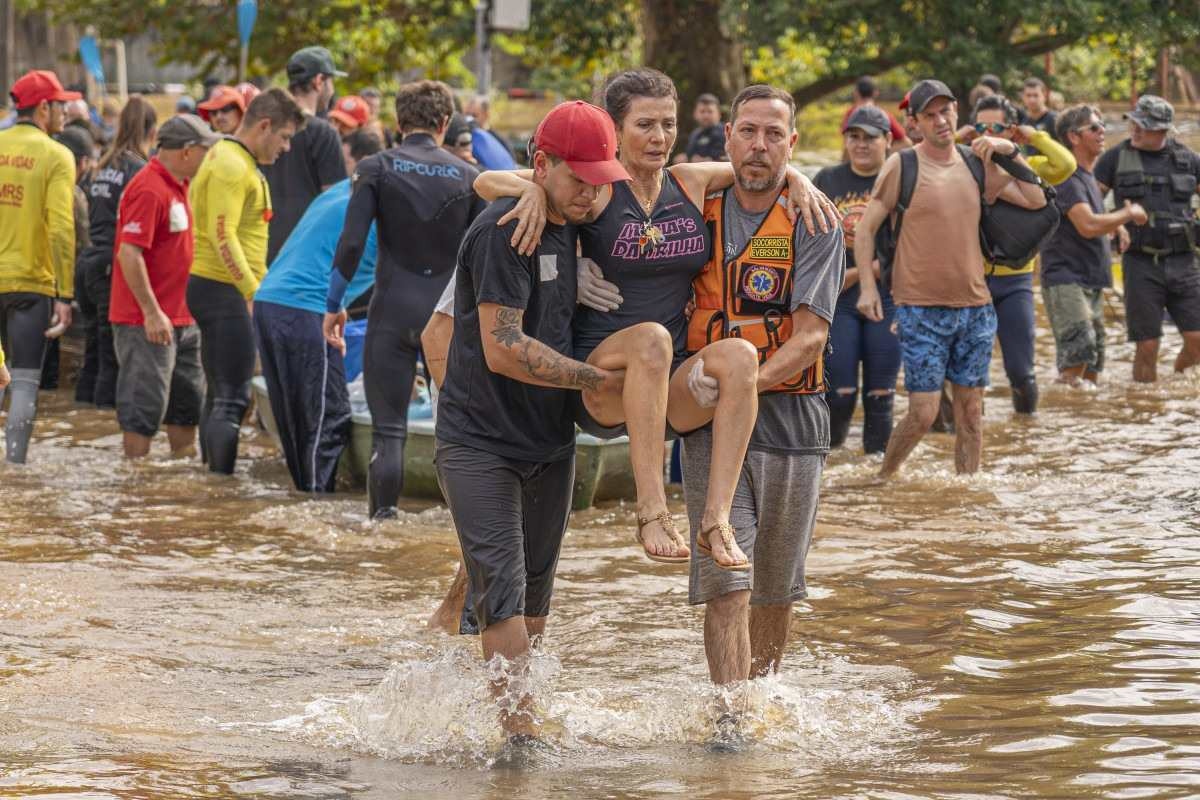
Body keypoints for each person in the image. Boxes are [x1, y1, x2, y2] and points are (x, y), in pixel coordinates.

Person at [475, 67, 838, 567]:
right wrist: (532, 191)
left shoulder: (689, 181)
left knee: (738, 355)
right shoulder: (599, 190)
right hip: (604, 380)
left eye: (668, 124)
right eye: (645, 125)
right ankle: (651, 510)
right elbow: (483, 179)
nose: (660, 137)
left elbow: (759, 162)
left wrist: (798, 179)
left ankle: (715, 520)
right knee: (649, 339)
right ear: (616, 131)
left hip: (669, 386)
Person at [435, 99, 629, 740]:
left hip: (549, 442)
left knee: (536, 604)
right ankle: (520, 739)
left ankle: (478, 702)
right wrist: (598, 382)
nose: (593, 193)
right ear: (541, 164)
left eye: (603, 178)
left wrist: (795, 178)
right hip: (478, 441)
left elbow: (689, 175)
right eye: (580, 179)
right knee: (503, 594)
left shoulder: (582, 216)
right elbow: (503, 348)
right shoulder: (503, 229)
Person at [682, 87, 844, 735]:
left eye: (774, 135)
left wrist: (740, 394)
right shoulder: (694, 203)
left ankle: (759, 704)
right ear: (726, 137)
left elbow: (809, 337)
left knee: (776, 588)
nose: (759, 146)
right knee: (728, 581)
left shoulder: (814, 219)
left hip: (792, 420)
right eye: (747, 132)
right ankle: (730, 720)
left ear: (792, 143)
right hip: (709, 423)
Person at [854, 79, 1047, 478]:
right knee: (923, 414)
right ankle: (883, 478)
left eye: (946, 111)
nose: (941, 120)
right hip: (919, 310)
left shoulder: (978, 165)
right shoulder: (901, 166)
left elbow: (1036, 199)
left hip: (975, 309)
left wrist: (1011, 152)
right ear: (916, 123)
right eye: (930, 115)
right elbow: (866, 229)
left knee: (972, 414)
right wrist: (869, 289)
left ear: (957, 111)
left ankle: (966, 495)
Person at [322, 80, 484, 519]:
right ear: (445, 123)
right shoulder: (470, 177)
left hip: (391, 312)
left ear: (397, 121)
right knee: (459, 434)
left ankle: (382, 532)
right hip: (446, 319)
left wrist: (333, 304)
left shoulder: (376, 167)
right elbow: (480, 258)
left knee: (388, 432)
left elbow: (351, 243)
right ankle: (464, 527)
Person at [253, 129, 383, 492]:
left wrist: (338, 307)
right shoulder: (376, 210)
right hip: (303, 309)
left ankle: (302, 503)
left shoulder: (337, 193)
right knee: (329, 418)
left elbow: (322, 253)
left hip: (270, 303)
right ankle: (316, 509)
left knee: (297, 422)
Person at [188, 88, 306, 475]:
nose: (286, 148)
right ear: (265, 126)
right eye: (285, 137)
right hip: (224, 290)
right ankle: (221, 492)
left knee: (219, 394)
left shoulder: (230, 158)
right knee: (232, 398)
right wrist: (254, 293)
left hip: (218, 287)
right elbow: (224, 236)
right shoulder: (230, 166)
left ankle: (210, 480)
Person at [111, 115, 218, 458]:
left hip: (184, 319)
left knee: (187, 407)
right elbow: (129, 254)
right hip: (146, 322)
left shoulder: (182, 186)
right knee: (143, 410)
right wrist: (151, 312)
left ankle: (177, 484)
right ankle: (135, 484)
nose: (209, 157)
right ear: (187, 152)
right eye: (206, 150)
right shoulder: (148, 187)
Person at [966, 94, 1077, 413]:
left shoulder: (1026, 164)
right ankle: (968, 440)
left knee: (1021, 372)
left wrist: (1028, 139)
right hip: (972, 281)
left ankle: (1026, 432)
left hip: (1016, 281)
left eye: (996, 127)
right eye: (981, 127)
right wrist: (959, 137)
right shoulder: (961, 164)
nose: (988, 133)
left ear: (1011, 129)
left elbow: (1066, 164)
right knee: (969, 375)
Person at [0, 70, 78, 464]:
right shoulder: (56, 154)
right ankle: (14, 467)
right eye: (62, 103)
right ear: (44, 108)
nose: (68, 111)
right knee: (25, 383)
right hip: (32, 285)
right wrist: (65, 294)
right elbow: (62, 229)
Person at [1094, 95, 1200, 382]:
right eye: (1134, 123)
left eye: (1144, 125)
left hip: (1184, 262)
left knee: (1196, 339)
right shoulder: (1114, 158)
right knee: (1148, 345)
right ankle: (1144, 407)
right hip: (1140, 263)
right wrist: (1116, 223)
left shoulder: (1188, 159)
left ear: (1163, 129)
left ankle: (1179, 380)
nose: (1135, 129)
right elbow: (1089, 201)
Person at [1040, 105, 1146, 385]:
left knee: (1094, 363)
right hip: (1067, 279)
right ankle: (1060, 419)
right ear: (1074, 137)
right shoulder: (1067, 178)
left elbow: (1094, 219)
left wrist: (1117, 226)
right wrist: (1128, 213)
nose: (1103, 132)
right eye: (1095, 128)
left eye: (1102, 127)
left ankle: (1081, 419)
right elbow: (1087, 225)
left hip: (1092, 279)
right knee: (1077, 356)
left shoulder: (1088, 176)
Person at [814, 105, 900, 454]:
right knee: (840, 390)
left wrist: (861, 274)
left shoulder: (900, 177)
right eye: (854, 137)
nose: (861, 145)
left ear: (888, 141)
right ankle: (832, 462)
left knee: (881, 392)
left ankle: (876, 472)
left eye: (870, 138)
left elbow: (912, 243)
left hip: (889, 294)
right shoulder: (827, 180)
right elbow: (809, 239)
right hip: (839, 299)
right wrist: (838, 279)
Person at [76, 95, 157, 408]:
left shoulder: (100, 165)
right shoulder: (139, 170)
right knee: (111, 354)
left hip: (89, 263)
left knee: (93, 349)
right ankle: (102, 428)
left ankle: (82, 420)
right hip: (114, 265)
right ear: (151, 132)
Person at [262, 46, 348, 262]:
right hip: (303, 254)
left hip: (260, 247)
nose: (331, 89)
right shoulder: (324, 132)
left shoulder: (263, 127)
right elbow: (335, 201)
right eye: (331, 82)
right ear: (319, 81)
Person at [40, 125, 94, 390]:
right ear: (82, 162)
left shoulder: (34, 179)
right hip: (52, 284)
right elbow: (81, 243)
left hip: (22, 276)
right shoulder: (74, 194)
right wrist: (68, 294)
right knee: (44, 367)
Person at [840, 75, 911, 150]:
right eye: (855, 136)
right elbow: (906, 143)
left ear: (856, 93)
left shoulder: (850, 113)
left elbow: (846, 144)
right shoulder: (883, 114)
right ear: (875, 93)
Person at [464, 94, 518, 170]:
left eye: (474, 115)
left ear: (486, 115)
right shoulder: (463, 138)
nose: (469, 119)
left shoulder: (500, 142)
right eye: (466, 114)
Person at [683, 93, 726, 162]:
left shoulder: (726, 133)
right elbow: (690, 154)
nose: (706, 116)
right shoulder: (694, 134)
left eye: (710, 112)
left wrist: (706, 161)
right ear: (695, 114)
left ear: (719, 114)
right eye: (702, 111)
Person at [1021, 77, 1058, 143]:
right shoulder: (1024, 122)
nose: (1032, 100)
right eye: (1028, 95)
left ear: (1044, 95)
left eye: (1036, 95)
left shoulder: (1055, 119)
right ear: (1023, 97)